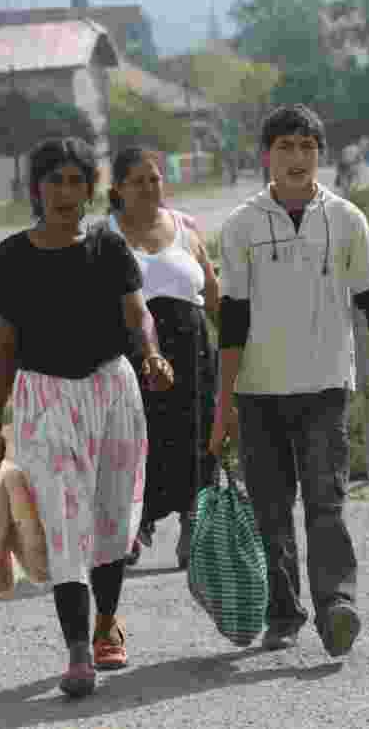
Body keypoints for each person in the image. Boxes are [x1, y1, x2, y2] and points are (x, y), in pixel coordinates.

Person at [210, 104, 369, 656]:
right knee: (271, 510)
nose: (298, 157)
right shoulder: (241, 227)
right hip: (258, 394)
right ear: (267, 156)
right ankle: (284, 612)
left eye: (308, 147)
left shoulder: (347, 219)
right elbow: (230, 324)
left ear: (320, 155)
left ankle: (336, 607)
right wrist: (223, 405)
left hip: (326, 386)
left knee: (326, 504)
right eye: (286, 147)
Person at [0, 137, 173, 698]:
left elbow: (139, 316)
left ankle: (107, 620)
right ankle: (78, 651)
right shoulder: (13, 255)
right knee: (63, 523)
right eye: (54, 181)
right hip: (45, 400)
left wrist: (153, 354)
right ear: (36, 188)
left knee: (112, 519)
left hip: (111, 391)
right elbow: (5, 346)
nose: (65, 192)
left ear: (90, 189)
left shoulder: (108, 248)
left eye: (75, 181)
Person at [105, 147, 220, 569]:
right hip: (133, 356)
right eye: (137, 180)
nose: (149, 187)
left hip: (193, 353)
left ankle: (195, 528)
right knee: (138, 442)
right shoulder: (104, 236)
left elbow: (212, 292)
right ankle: (135, 523)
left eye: (154, 178)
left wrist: (237, 349)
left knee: (197, 439)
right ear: (117, 188)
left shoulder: (185, 227)